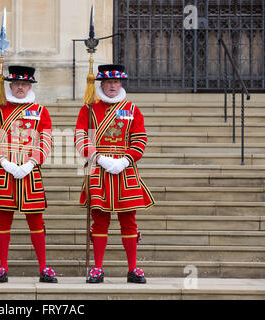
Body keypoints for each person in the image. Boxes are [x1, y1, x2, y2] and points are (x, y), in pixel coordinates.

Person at [74, 65, 155, 284]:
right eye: (108, 82)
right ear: (101, 83)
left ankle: (133, 268)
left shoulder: (132, 108)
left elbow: (140, 139)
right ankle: (97, 269)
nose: (112, 86)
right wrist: (98, 158)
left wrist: (126, 159)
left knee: (129, 221)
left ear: (121, 84)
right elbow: (80, 138)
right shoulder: (89, 109)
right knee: (99, 220)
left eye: (116, 82)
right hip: (99, 168)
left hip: (125, 170)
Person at [0, 65, 57, 283]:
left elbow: (46, 139)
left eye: (24, 84)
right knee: (3, 222)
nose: (20, 87)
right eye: (16, 84)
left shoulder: (41, 111)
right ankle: (2, 268)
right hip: (4, 173)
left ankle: (44, 268)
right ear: (10, 86)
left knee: (36, 221)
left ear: (30, 85)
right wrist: (3, 161)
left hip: (30, 173)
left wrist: (32, 162)